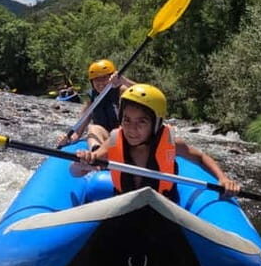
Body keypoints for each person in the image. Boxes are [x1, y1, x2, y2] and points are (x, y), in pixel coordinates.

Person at [74, 83, 241, 200]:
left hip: (162, 209)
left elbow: (201, 158)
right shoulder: (114, 140)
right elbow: (75, 172)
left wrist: (223, 178)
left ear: (156, 123)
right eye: (127, 120)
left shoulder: (171, 144)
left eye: (141, 122)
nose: (132, 129)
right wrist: (82, 162)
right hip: (124, 207)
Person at [58, 59, 133, 148]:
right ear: (92, 82)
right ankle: (96, 152)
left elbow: (145, 93)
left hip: (124, 137)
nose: (100, 82)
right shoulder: (91, 98)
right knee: (93, 128)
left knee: (105, 131)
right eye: (96, 79)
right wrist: (68, 139)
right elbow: (78, 132)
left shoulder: (122, 90)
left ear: (112, 78)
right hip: (104, 137)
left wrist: (124, 81)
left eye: (104, 78)